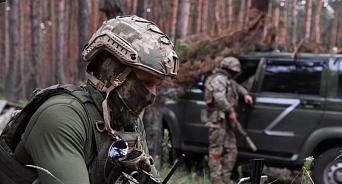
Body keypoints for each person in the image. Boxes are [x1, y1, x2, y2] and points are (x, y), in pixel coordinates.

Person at [8, 15, 179, 184]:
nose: (151, 96)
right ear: (111, 73)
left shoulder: (129, 124)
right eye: (145, 82)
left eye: (157, 85)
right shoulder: (62, 117)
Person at [201, 57, 253, 184]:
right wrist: (230, 111)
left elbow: (236, 87)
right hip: (218, 120)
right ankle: (216, 180)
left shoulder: (227, 80)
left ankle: (225, 178)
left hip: (225, 122)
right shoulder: (219, 79)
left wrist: (245, 93)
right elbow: (218, 97)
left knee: (231, 151)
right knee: (216, 151)